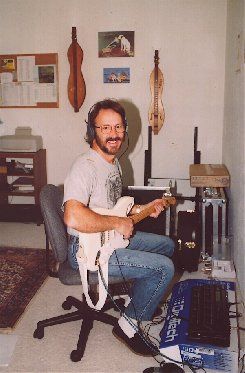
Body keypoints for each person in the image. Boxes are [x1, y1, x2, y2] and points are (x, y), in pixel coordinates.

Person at [63, 99, 175, 356]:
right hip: (87, 248)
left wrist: (144, 209)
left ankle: (137, 303)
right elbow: (72, 216)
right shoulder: (85, 167)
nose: (113, 134)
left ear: (125, 129)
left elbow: (114, 209)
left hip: (110, 237)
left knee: (166, 246)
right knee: (164, 268)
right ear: (93, 131)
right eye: (105, 128)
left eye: (118, 127)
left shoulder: (114, 163)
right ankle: (126, 326)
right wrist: (116, 222)